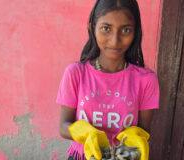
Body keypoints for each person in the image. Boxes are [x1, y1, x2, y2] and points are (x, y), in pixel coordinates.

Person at [56, 0, 160, 160]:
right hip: (83, 156)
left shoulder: (146, 80)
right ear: (92, 27)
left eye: (125, 30)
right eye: (106, 28)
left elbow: (145, 129)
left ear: (135, 32)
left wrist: (137, 136)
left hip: (123, 156)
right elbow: (64, 126)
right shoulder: (76, 73)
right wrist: (86, 133)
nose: (115, 40)